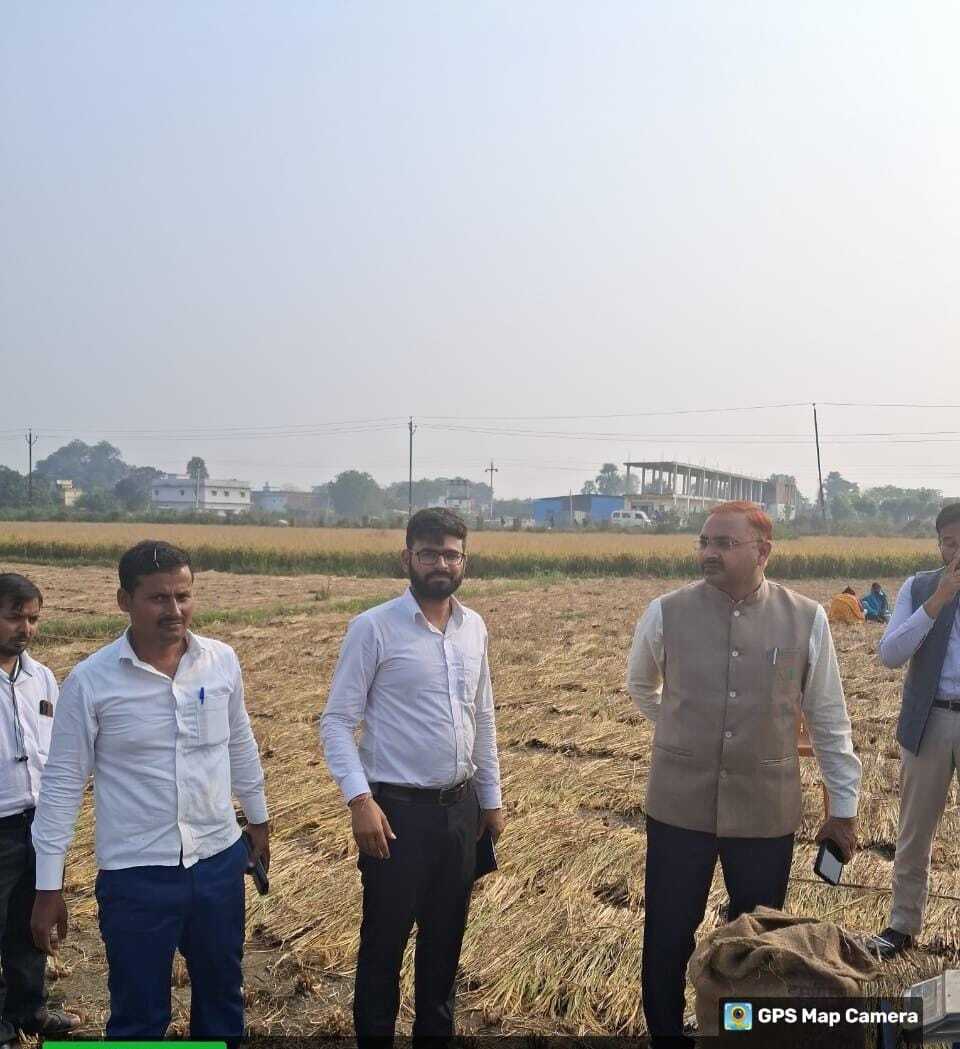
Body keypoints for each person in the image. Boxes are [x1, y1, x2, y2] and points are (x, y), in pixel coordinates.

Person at [626, 501, 862, 1048]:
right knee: (667, 931)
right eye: (704, 542)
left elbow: (829, 718)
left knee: (757, 938)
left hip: (765, 808)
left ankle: (740, 1038)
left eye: (724, 543)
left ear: (763, 551)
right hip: (678, 806)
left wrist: (843, 809)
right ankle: (666, 1036)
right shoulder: (666, 612)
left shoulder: (806, 618)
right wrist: (683, 730)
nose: (709, 552)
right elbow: (642, 686)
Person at [29, 541, 269, 1041]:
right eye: (158, 598)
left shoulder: (221, 661)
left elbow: (240, 743)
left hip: (217, 862)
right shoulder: (91, 682)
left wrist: (259, 818)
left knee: (223, 1002)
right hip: (135, 876)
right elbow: (62, 785)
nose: (174, 610)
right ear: (125, 600)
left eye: (183, 596)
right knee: (138, 1018)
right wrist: (48, 885)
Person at [320, 507, 503, 1044]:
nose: (441, 564)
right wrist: (360, 801)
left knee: (445, 945)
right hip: (394, 816)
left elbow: (483, 715)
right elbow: (336, 722)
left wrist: (491, 798)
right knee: (384, 945)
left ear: (464, 561)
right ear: (407, 558)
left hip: (460, 811)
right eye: (429, 554)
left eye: (451, 554)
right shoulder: (374, 628)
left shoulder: (474, 628)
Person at [869, 505, 960, 958]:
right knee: (914, 830)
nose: (957, 552)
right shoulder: (919, 587)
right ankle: (902, 925)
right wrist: (938, 600)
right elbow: (890, 654)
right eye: (950, 543)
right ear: (939, 544)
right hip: (932, 719)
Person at [0, 575, 79, 1044]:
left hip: (40, 823)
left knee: (32, 922)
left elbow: (59, 749)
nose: (26, 629)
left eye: (33, 619)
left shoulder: (43, 677)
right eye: (15, 617)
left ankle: (28, 1011)